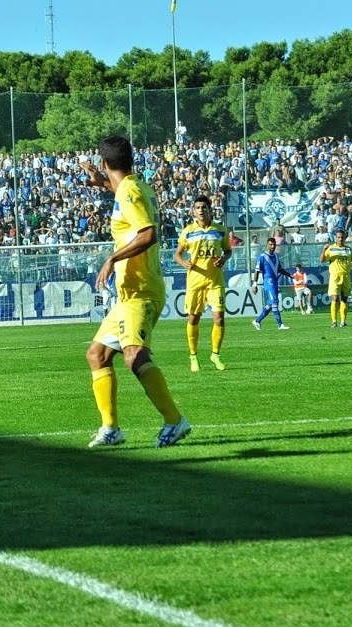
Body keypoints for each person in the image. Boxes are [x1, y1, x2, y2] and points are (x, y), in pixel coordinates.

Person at [79, 136, 190, 449]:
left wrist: (112, 258)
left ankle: (174, 420)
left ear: (104, 162)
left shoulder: (130, 191)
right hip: (129, 293)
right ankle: (111, 428)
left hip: (141, 290)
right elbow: (124, 197)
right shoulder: (133, 186)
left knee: (135, 356)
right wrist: (103, 183)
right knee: (97, 354)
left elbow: (148, 234)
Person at [173, 194, 231, 372]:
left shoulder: (220, 230)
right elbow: (177, 255)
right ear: (193, 211)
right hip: (195, 281)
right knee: (193, 318)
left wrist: (223, 259)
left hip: (215, 281)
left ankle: (215, 355)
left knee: (219, 318)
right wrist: (184, 263)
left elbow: (228, 251)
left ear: (209, 210)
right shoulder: (188, 231)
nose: (201, 210)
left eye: (204, 207)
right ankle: (193, 356)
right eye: (197, 208)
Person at [320, 229, 352, 327]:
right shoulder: (331, 249)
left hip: (346, 276)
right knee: (335, 298)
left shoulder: (348, 249)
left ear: (345, 238)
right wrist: (324, 250)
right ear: (335, 238)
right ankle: (334, 321)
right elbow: (322, 260)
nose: (340, 239)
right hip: (335, 276)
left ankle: (343, 321)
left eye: (342, 237)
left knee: (344, 299)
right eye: (338, 237)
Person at [251, 237, 293, 331]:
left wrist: (289, 275)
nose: (273, 246)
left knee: (271, 304)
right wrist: (255, 284)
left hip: (275, 282)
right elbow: (257, 271)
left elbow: (280, 269)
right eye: (271, 244)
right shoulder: (262, 257)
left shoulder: (276, 256)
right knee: (274, 302)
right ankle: (280, 325)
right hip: (268, 283)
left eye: (274, 245)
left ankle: (257, 321)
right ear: (267, 245)